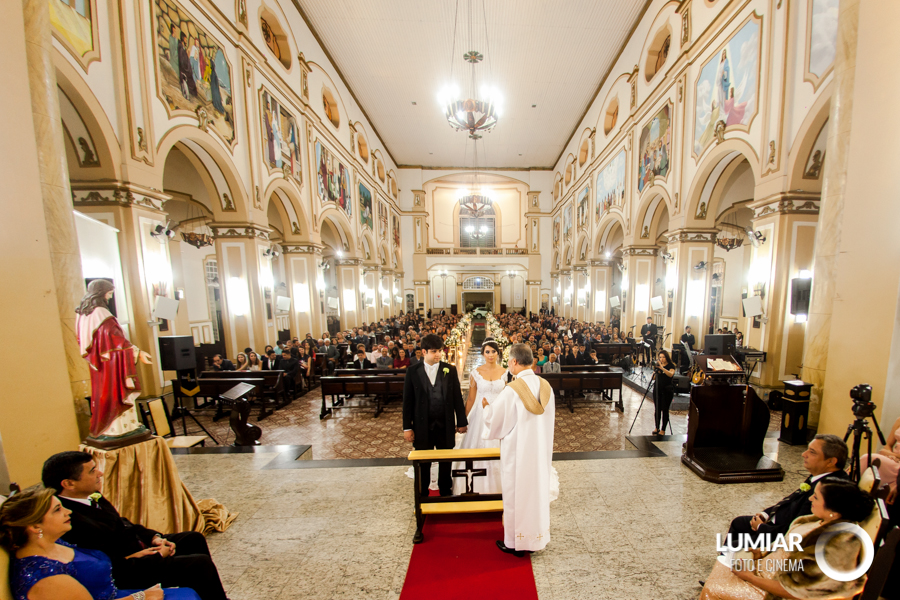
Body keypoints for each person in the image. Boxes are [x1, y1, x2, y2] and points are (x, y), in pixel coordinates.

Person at [42, 452, 226, 599]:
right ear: (69, 483)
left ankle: (207, 594)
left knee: (193, 538)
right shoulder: (70, 520)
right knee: (200, 564)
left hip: (139, 548)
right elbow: (110, 564)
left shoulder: (89, 495)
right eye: (92, 471)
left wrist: (155, 538)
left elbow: (124, 523)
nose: (100, 473)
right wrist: (157, 556)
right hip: (129, 571)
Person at [1, 486, 198, 600]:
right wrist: (142, 596)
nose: (68, 512)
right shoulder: (46, 578)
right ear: (35, 526)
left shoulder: (53, 542)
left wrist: (131, 556)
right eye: (57, 510)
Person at [700, 480, 874, 600]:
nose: (811, 498)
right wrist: (761, 552)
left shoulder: (836, 545)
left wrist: (750, 578)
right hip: (769, 571)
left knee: (713, 589)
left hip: (777, 591)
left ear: (834, 512)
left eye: (817, 497)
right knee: (724, 562)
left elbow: (799, 592)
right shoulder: (818, 520)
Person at [483, 344, 557, 556]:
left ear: (515, 362)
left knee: (516, 496)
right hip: (540, 453)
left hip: (518, 455)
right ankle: (535, 539)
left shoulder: (513, 390)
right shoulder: (546, 387)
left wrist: (487, 408)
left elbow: (497, 421)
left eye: (509, 361)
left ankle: (515, 543)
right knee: (535, 494)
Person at [726, 435, 850, 538]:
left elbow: (798, 528)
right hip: (777, 521)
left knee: (737, 545)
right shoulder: (820, 475)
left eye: (812, 452)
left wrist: (761, 527)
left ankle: (728, 562)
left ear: (831, 461)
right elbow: (791, 499)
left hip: (779, 535)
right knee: (738, 523)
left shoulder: (826, 490)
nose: (803, 454)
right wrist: (766, 514)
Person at [75, 279, 153, 440]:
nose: (110, 297)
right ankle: (116, 427)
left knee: (104, 393)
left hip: (100, 364)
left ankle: (112, 427)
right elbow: (115, 339)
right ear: (101, 292)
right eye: (109, 293)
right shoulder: (101, 314)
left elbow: (85, 342)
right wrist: (137, 352)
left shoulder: (83, 314)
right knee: (115, 393)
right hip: (112, 364)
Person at [402, 334, 467, 500]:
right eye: (433, 351)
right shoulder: (412, 371)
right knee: (424, 461)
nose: (438, 354)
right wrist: (407, 427)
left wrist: (461, 421)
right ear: (424, 352)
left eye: (439, 351)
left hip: (444, 424)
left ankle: (445, 491)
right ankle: (423, 494)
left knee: (446, 461)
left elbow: (456, 397)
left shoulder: (449, 370)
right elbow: (407, 401)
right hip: (422, 426)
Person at [452, 342, 507, 495]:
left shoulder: (505, 372)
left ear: (498, 353)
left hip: (498, 413)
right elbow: (470, 399)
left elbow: (508, 396)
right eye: (487, 352)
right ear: (483, 354)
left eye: (493, 351)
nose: (490, 355)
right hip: (479, 415)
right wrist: (462, 420)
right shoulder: (475, 373)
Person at [861, 415, 900, 504]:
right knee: (868, 458)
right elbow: (888, 445)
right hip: (892, 458)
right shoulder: (899, 420)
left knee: (868, 458)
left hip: (898, 462)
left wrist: (895, 456)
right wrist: (890, 454)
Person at [652, 350, 675, 435]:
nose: (661, 359)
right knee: (657, 409)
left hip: (667, 390)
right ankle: (657, 427)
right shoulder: (658, 366)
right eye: (660, 357)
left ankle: (663, 429)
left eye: (663, 357)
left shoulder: (671, 366)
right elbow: (653, 378)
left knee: (665, 410)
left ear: (666, 357)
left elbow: (670, 374)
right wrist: (655, 371)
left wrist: (662, 368)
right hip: (657, 389)